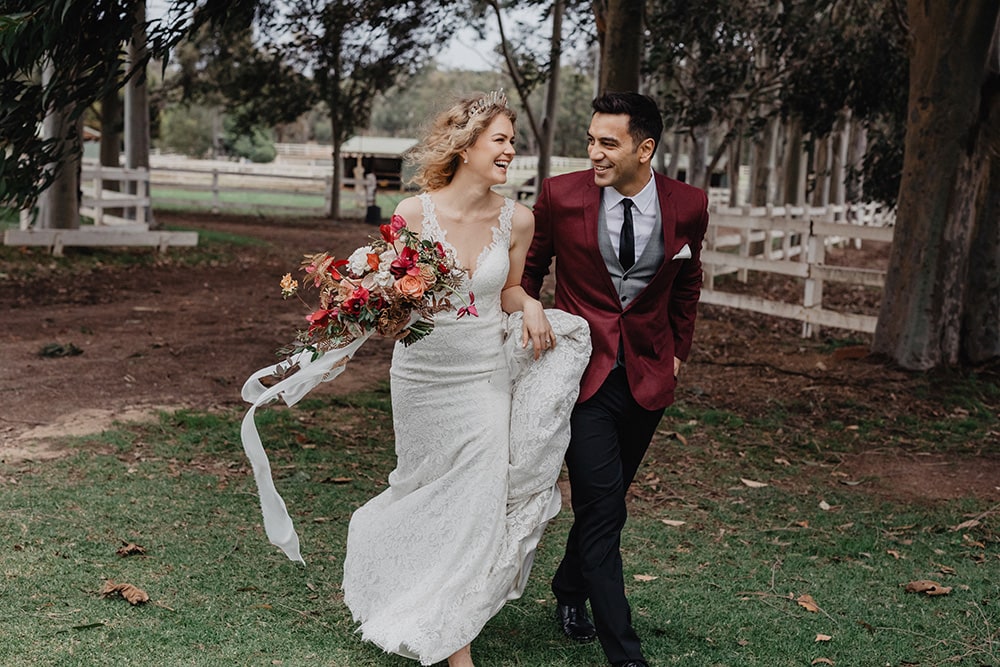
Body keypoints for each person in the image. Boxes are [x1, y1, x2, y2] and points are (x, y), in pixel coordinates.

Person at [341, 91, 591, 666]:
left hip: (483, 379)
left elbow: (505, 290)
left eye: (511, 141)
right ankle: (413, 590)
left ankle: (456, 648)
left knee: (477, 498)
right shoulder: (411, 213)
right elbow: (397, 299)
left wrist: (528, 304)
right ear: (466, 144)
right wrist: (377, 309)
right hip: (421, 377)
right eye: (500, 140)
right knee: (424, 488)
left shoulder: (519, 219)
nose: (510, 151)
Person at [522, 92, 710, 667]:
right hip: (581, 376)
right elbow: (528, 269)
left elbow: (686, 280)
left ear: (644, 148)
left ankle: (569, 588)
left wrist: (678, 351)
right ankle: (625, 655)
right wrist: (527, 309)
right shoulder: (560, 194)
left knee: (610, 498)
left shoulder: (690, 204)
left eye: (609, 142)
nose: (594, 153)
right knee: (603, 509)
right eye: (590, 140)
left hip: (649, 377)